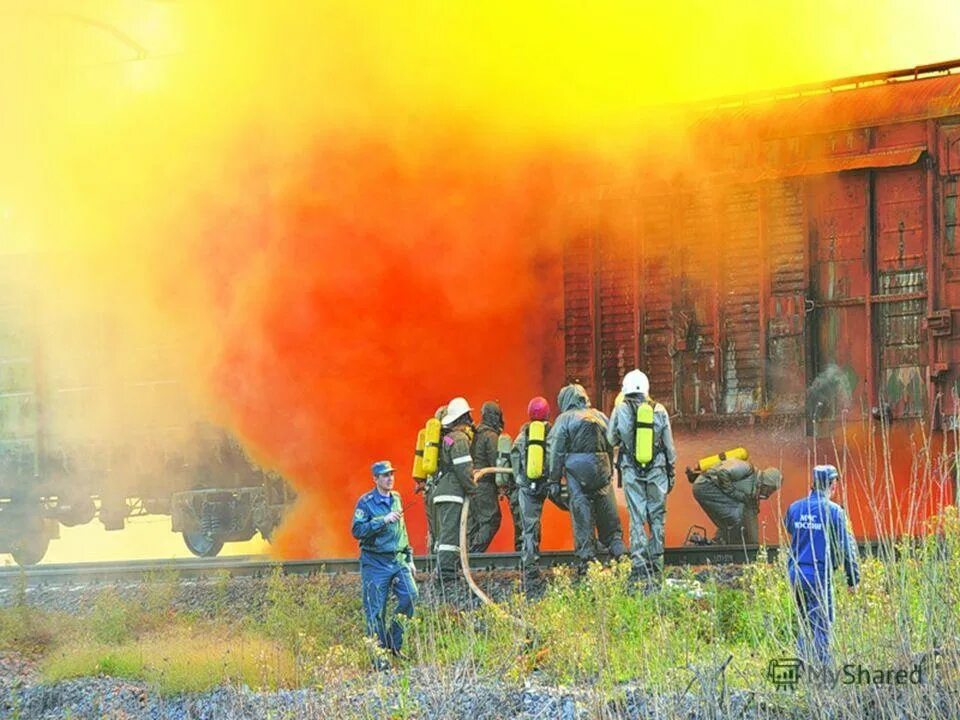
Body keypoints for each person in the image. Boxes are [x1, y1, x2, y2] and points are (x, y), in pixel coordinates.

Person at [784, 464, 860, 667]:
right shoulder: (835, 512)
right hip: (818, 574)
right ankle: (823, 675)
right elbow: (847, 548)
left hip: (796, 573)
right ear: (833, 484)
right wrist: (853, 579)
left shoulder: (795, 507)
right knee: (823, 625)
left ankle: (801, 668)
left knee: (805, 623)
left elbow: (790, 528)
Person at [548, 383, 626, 573]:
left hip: (577, 474)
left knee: (582, 515)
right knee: (608, 516)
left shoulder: (564, 419)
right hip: (602, 472)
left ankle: (587, 561)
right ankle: (619, 551)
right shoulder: (600, 416)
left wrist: (554, 481)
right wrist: (609, 472)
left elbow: (555, 452)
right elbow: (611, 444)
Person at [607, 369, 677, 581]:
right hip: (657, 471)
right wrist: (671, 471)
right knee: (657, 517)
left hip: (631, 471)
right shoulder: (660, 410)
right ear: (646, 388)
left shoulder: (621, 408)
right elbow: (670, 447)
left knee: (637, 518)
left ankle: (638, 565)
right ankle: (657, 563)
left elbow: (611, 439)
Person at [351, 460, 418, 668]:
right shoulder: (366, 502)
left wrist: (410, 558)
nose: (389, 478)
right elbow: (357, 531)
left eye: (391, 474)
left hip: (398, 560)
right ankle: (379, 659)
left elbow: (402, 530)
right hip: (375, 563)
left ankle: (393, 643)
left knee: (410, 596)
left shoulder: (396, 497)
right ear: (375, 479)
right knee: (375, 610)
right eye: (384, 475)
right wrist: (382, 520)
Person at [511, 396, 569, 584]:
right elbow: (558, 455)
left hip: (528, 486)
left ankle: (530, 570)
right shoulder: (554, 433)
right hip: (550, 484)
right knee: (578, 507)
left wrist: (521, 481)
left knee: (529, 528)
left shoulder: (522, 436)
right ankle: (589, 556)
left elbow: (514, 463)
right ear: (548, 414)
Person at [432, 396, 476, 595]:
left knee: (445, 534)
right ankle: (446, 576)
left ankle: (446, 571)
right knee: (449, 537)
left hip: (443, 490)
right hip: (451, 492)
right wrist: (472, 489)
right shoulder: (459, 439)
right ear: (464, 416)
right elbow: (463, 468)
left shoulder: (447, 437)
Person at [692, 458, 782, 544]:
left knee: (737, 518)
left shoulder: (754, 492)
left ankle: (722, 543)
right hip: (705, 486)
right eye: (771, 489)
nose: (769, 493)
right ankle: (722, 542)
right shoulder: (747, 469)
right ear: (767, 483)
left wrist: (754, 544)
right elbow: (723, 473)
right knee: (737, 515)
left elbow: (751, 516)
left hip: (709, 488)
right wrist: (734, 493)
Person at [467, 400, 505, 552]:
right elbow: (496, 462)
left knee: (475, 523)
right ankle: (473, 554)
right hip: (485, 485)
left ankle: (467, 557)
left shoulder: (474, 434)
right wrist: (503, 484)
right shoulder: (490, 436)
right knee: (491, 520)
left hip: (471, 484)